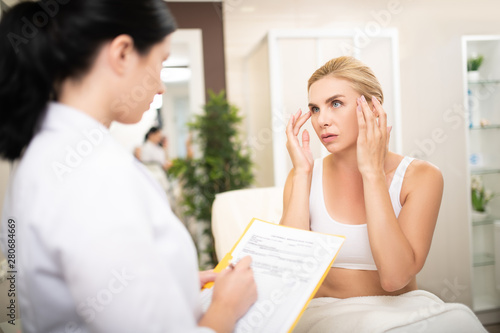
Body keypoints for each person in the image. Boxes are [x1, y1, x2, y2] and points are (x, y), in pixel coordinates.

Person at [0, 1, 256, 333]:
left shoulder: (55, 153)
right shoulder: (86, 172)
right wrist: (226, 306)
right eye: (160, 62)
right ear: (122, 53)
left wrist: (171, 283)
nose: (161, 86)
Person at [281, 57, 485, 332]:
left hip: (401, 314)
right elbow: (290, 273)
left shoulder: (421, 177)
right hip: (324, 314)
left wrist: (372, 174)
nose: (322, 120)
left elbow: (394, 277)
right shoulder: (302, 175)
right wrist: (303, 174)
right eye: (315, 109)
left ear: (373, 106)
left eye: (335, 103)